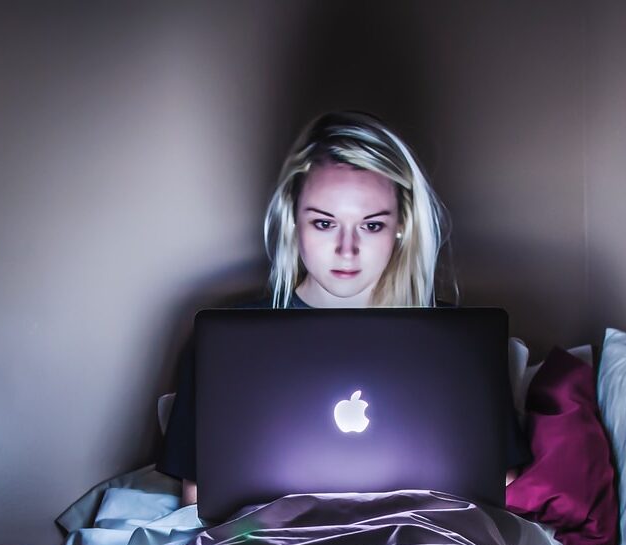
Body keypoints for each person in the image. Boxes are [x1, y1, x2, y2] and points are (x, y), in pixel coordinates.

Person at [157, 109, 531, 506]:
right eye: (324, 223)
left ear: (401, 226)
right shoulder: (227, 343)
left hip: (417, 541)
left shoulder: (458, 341)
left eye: (371, 225)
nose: (347, 250)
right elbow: (199, 496)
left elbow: (498, 482)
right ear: (293, 220)